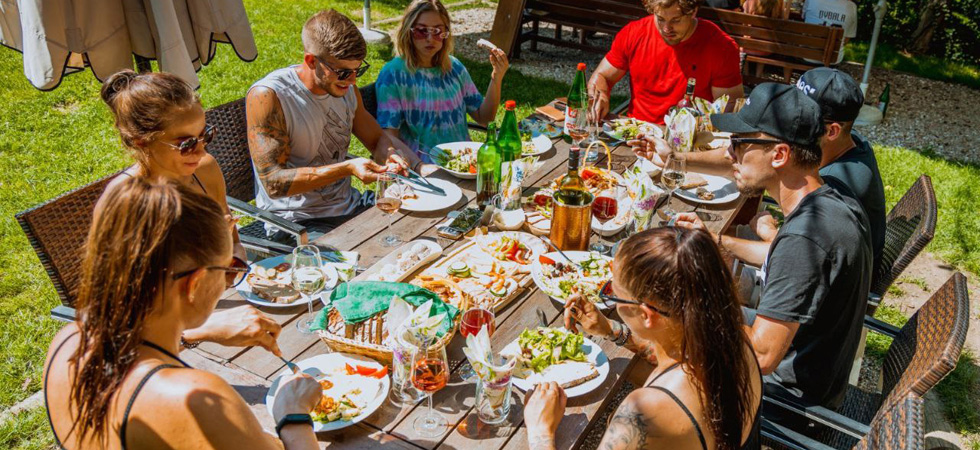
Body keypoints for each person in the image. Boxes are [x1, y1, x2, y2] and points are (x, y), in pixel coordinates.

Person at [44, 178, 322, 449]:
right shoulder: (196, 399)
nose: (229, 280)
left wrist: (197, 333)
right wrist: (293, 414)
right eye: (230, 268)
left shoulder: (66, 342)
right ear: (195, 283)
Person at [675, 84, 872, 422]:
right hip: (810, 369)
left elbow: (762, 355)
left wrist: (701, 297)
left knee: (662, 348)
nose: (731, 154)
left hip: (787, 401)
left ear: (779, 154)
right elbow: (794, 268)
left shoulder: (806, 238)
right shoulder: (829, 203)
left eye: (739, 144)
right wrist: (717, 246)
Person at [525, 227, 762, 450]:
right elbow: (676, 360)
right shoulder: (737, 337)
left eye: (613, 294)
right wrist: (611, 330)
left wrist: (540, 432)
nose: (610, 298)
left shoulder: (644, 412)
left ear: (647, 315)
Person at [634, 68, 886, 273]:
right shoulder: (840, 146)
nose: (790, 110)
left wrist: (771, 234)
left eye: (800, 110)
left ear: (832, 131)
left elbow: (805, 256)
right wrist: (676, 159)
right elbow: (740, 159)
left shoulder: (837, 186)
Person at [247, 10, 436, 240]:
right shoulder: (270, 96)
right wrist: (346, 169)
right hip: (297, 222)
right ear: (311, 61)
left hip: (349, 206)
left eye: (358, 70)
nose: (353, 80)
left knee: (427, 231)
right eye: (344, 72)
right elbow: (273, 182)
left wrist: (389, 155)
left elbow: (377, 139)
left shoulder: (345, 86)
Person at [101, 69, 247, 265]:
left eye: (205, 136)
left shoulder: (205, 170)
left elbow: (235, 245)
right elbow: (126, 287)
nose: (201, 152)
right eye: (185, 144)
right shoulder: (125, 200)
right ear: (141, 142)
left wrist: (233, 262)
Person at [376, 0, 509, 163]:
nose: (430, 38)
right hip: (424, 169)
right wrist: (418, 167)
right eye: (421, 31)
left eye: (438, 31)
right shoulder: (394, 74)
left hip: (465, 162)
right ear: (408, 32)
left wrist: (496, 77)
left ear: (446, 33)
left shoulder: (454, 67)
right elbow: (388, 137)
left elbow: (485, 117)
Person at [588, 0, 744, 125]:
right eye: (660, 19)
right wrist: (600, 96)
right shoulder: (634, 32)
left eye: (675, 20)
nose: (666, 28)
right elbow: (602, 76)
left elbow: (729, 108)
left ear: (694, 11)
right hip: (636, 132)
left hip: (689, 140)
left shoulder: (720, 46)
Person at [802, 0, 856, 65]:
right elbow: (846, 39)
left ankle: (788, 73)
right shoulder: (851, 7)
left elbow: (803, 18)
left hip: (807, 55)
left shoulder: (811, 1)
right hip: (834, 59)